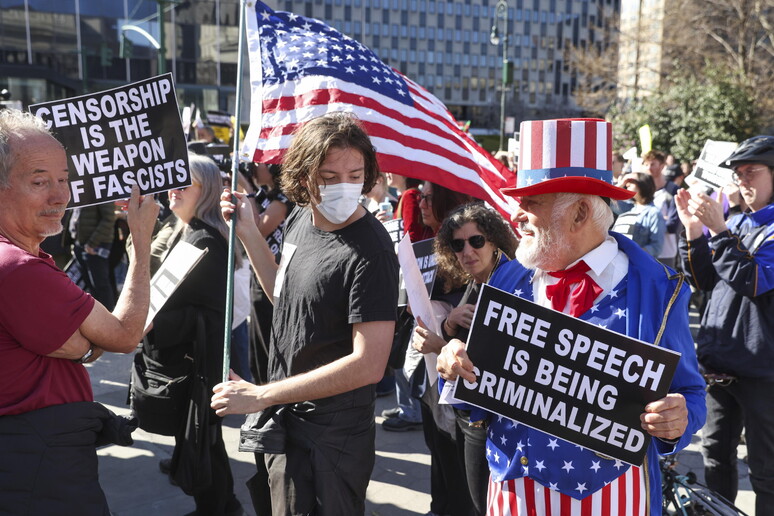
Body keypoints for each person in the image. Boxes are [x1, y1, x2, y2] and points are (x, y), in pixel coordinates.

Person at [437, 118, 706, 515]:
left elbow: (692, 395)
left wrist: (678, 419)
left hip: (612, 499)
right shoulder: (507, 278)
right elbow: (480, 391)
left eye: (532, 203)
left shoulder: (657, 290)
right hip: (514, 494)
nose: (516, 215)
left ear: (579, 213)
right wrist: (454, 365)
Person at [212, 113, 399, 516]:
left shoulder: (373, 252)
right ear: (302, 177)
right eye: (329, 177)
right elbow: (286, 296)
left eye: (355, 175)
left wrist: (260, 395)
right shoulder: (299, 216)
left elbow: (369, 364)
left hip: (332, 438)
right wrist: (248, 231)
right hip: (287, 419)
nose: (344, 186)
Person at [0, 109, 159, 514]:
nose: (60, 196)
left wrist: (84, 345)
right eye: (39, 182)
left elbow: (87, 342)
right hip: (39, 460)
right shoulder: (18, 268)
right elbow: (125, 335)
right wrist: (141, 242)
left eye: (64, 179)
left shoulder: (24, 260)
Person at [137, 153, 243, 516]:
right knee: (205, 439)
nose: (174, 190)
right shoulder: (187, 231)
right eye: (173, 183)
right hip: (191, 357)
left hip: (199, 361)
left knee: (202, 439)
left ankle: (217, 508)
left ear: (207, 191)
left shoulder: (205, 240)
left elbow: (213, 315)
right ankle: (224, 506)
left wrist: (158, 322)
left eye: (185, 184)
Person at [676, 135, 774, 514]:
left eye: (752, 172)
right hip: (720, 363)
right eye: (738, 174)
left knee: (765, 470)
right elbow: (703, 281)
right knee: (715, 455)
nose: (743, 181)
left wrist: (718, 231)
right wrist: (693, 231)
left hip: (760, 369)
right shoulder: (738, 222)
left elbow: (752, 280)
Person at [411, 202, 517, 515]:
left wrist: (438, 344)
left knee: (483, 504)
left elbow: (494, 363)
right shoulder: (476, 281)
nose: (467, 251)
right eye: (458, 245)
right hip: (466, 412)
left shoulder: (511, 284)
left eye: (476, 241)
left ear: (494, 240)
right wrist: (448, 324)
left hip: (491, 421)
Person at [642, 150, 682, 268]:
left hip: (666, 252)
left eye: (652, 164)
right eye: (646, 164)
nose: (649, 168)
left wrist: (652, 221)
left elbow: (672, 224)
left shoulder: (673, 190)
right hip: (645, 249)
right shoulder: (642, 190)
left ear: (662, 166)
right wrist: (661, 219)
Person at [612, 172, 666, 258]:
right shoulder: (628, 208)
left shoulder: (654, 213)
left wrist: (633, 252)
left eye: (631, 181)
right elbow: (609, 198)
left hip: (637, 261)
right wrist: (620, 184)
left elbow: (657, 247)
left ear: (642, 184)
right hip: (619, 260)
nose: (627, 184)